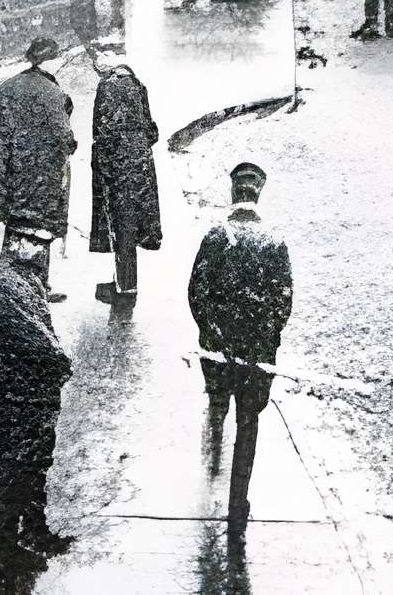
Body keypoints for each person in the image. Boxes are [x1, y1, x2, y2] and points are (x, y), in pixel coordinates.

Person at [187, 161, 293, 532]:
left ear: (234, 195)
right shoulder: (273, 242)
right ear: (259, 195)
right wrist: (264, 340)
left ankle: (217, 406)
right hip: (256, 357)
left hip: (219, 351)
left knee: (220, 399)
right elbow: (283, 301)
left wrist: (213, 334)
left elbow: (197, 293)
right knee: (248, 424)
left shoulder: (216, 237)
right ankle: (237, 501)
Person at [0, 223, 77, 562]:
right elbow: (33, 336)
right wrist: (60, 362)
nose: (43, 251)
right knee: (16, 463)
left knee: (33, 461)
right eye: (36, 243)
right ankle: (11, 539)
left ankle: (29, 529)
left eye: (45, 245)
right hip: (16, 392)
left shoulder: (20, 276)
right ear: (16, 242)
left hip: (26, 390)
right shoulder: (7, 281)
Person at [0, 39, 78, 282]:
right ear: (51, 61)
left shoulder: (10, 85)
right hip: (41, 173)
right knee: (39, 229)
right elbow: (62, 134)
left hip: (11, 170)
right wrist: (66, 146)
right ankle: (35, 285)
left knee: (16, 224)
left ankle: (13, 280)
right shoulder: (52, 91)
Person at [86, 38, 162, 303]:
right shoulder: (137, 84)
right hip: (140, 168)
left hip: (118, 168)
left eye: (99, 57)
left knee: (121, 227)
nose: (97, 63)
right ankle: (124, 283)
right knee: (131, 226)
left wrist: (104, 166)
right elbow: (152, 131)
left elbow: (102, 132)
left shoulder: (107, 87)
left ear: (111, 57)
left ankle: (125, 289)